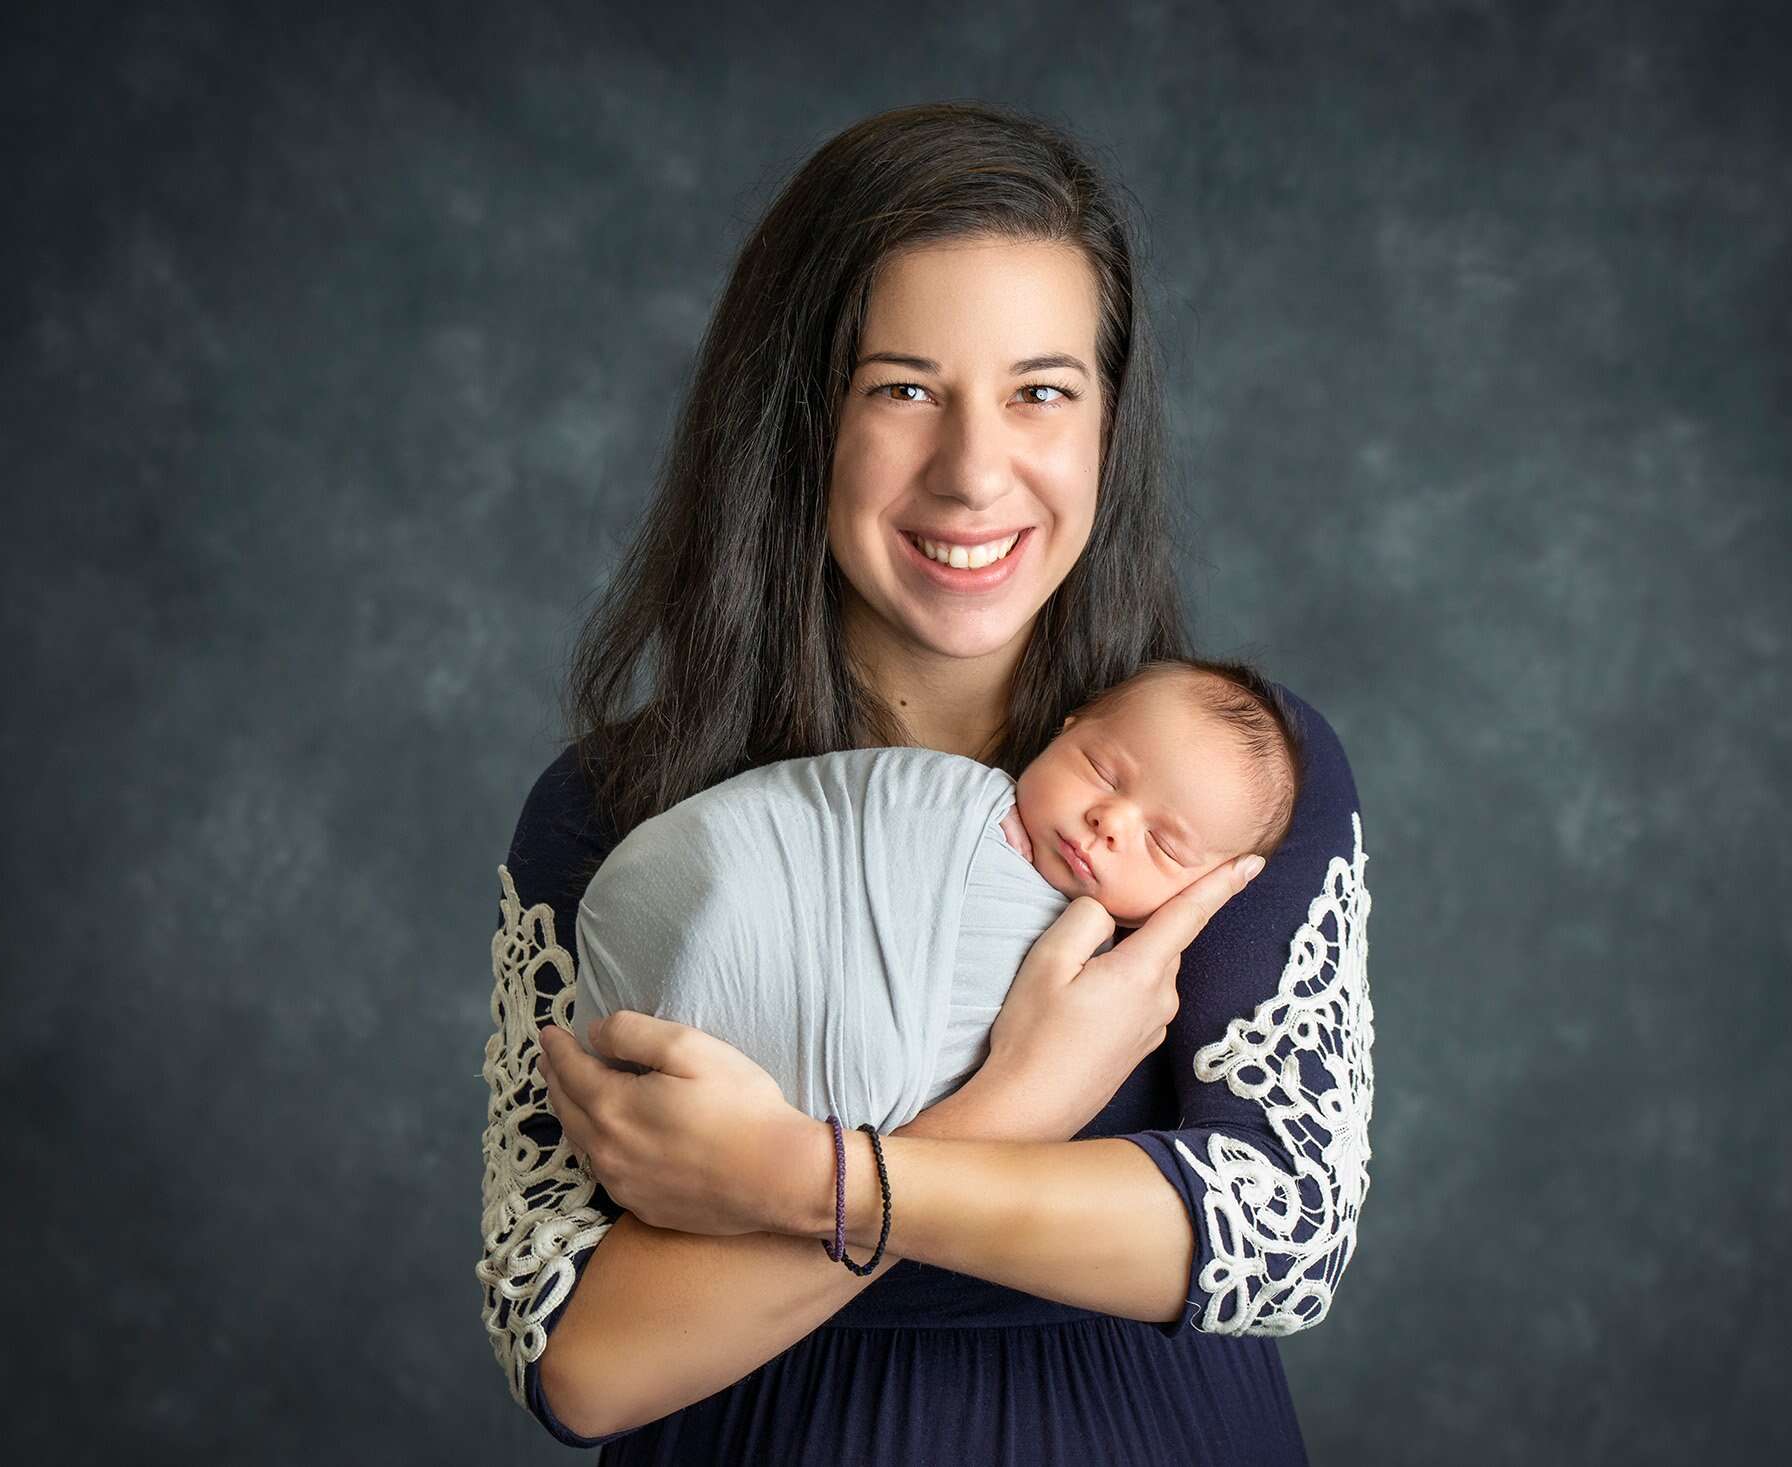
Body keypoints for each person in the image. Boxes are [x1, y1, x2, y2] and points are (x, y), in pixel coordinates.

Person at [477, 101, 1374, 1463]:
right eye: (903, 387)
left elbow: (1283, 1236)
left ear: (1107, 425)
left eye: (1041, 391)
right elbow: (583, 1361)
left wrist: (797, 1177)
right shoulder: (615, 807)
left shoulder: (1231, 774)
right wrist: (1018, 1105)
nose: (974, 472)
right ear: (797, 418)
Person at [564, 657, 1307, 1140]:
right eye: (1102, 771)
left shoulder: (1120, 983)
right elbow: (806, 824)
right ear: (1063, 729)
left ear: (1207, 891)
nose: (1109, 822)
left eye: (1163, 844)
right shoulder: (942, 799)